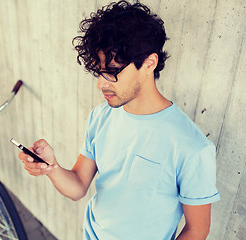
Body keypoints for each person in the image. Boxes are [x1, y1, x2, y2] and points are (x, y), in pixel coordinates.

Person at [18, 1, 220, 239]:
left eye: (112, 72)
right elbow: (78, 187)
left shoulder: (192, 147)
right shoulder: (100, 116)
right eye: (98, 72)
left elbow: (197, 229)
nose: (101, 84)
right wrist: (50, 167)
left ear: (149, 63)